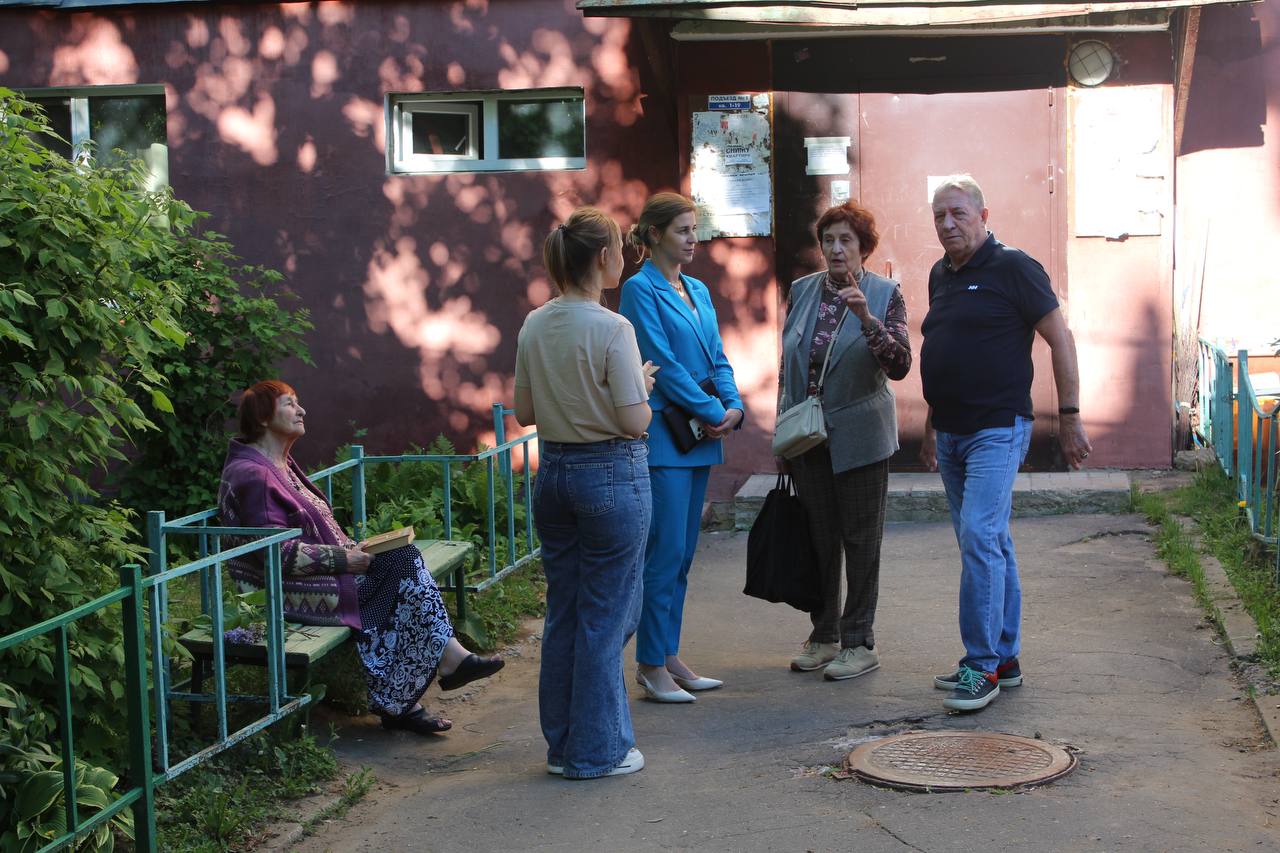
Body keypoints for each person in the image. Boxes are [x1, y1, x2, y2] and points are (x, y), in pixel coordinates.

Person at [218, 380, 503, 736]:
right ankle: (428, 676)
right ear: (262, 418)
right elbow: (274, 553)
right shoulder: (254, 475)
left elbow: (315, 532)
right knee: (402, 569)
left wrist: (354, 548)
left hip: (314, 576)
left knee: (402, 560)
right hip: (280, 592)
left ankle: (421, 683)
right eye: (290, 404)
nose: (302, 410)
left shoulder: (279, 464)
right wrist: (345, 559)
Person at [919, 174, 1092, 712]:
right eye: (940, 216)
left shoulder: (1016, 267)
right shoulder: (939, 275)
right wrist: (929, 430)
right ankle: (1005, 658)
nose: (948, 224)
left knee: (979, 535)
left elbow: (1060, 339)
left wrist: (1069, 417)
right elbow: (943, 355)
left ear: (983, 214)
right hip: (949, 431)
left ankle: (981, 667)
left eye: (958, 214)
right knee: (989, 541)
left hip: (998, 428)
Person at [514, 206, 657, 779]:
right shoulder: (611, 326)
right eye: (620, 248)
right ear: (602, 258)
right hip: (611, 474)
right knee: (606, 615)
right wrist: (640, 387)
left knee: (567, 615)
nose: (625, 257)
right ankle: (600, 751)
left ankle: (565, 746)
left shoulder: (534, 322)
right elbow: (634, 422)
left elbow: (525, 410)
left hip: (554, 475)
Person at [778, 201, 912, 682]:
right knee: (819, 540)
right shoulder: (801, 291)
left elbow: (899, 365)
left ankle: (859, 641)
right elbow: (787, 367)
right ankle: (824, 634)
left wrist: (869, 322)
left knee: (860, 541)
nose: (836, 249)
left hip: (861, 436)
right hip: (808, 435)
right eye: (829, 240)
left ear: (863, 249)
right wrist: (782, 434)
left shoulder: (884, 293)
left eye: (846, 241)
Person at [619, 192, 744, 703]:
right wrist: (714, 413)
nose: (693, 239)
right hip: (669, 436)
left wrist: (733, 405)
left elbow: (717, 355)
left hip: (700, 437)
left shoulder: (697, 289)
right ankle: (650, 664)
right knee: (664, 551)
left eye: (695, 229)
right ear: (653, 236)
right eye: (683, 230)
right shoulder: (638, 289)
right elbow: (661, 362)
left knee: (685, 552)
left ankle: (669, 654)